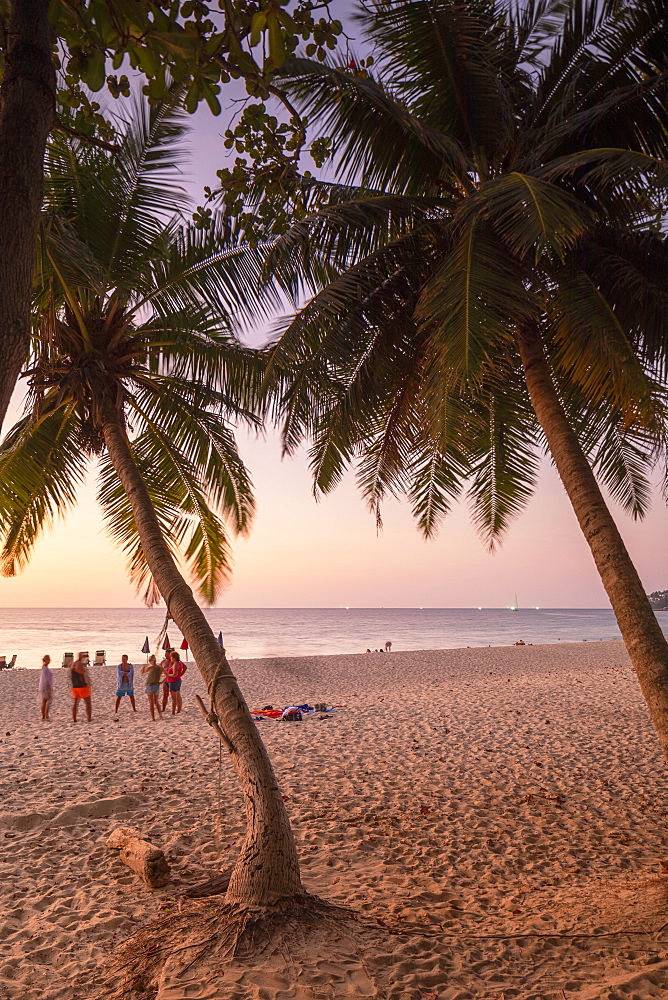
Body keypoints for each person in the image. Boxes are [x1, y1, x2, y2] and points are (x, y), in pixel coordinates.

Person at [69, 652, 92, 722]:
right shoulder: (80, 664)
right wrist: (88, 683)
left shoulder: (73, 664)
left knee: (76, 703)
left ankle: (74, 719)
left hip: (75, 685)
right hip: (82, 686)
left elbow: (71, 675)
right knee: (88, 703)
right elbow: (83, 675)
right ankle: (89, 718)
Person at [165, 649, 187, 715]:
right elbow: (182, 670)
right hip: (177, 680)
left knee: (174, 698)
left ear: (174, 658)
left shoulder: (176, 664)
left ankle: (173, 712)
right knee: (177, 695)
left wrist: (167, 675)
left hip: (173, 681)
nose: (170, 658)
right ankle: (178, 710)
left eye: (171, 657)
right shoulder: (179, 663)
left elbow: (174, 674)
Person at [142, 654, 163, 721]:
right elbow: (167, 675)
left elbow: (143, 671)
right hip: (156, 685)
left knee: (151, 702)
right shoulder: (160, 667)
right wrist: (162, 682)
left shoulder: (151, 668)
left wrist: (144, 666)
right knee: (156, 702)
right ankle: (160, 715)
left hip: (150, 685)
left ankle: (153, 718)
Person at [38, 654, 54, 720]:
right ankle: (44, 715)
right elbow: (45, 679)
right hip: (45, 687)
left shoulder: (45, 668)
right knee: (45, 701)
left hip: (46, 686)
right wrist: (48, 686)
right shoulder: (45, 669)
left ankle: (46, 715)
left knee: (47, 701)